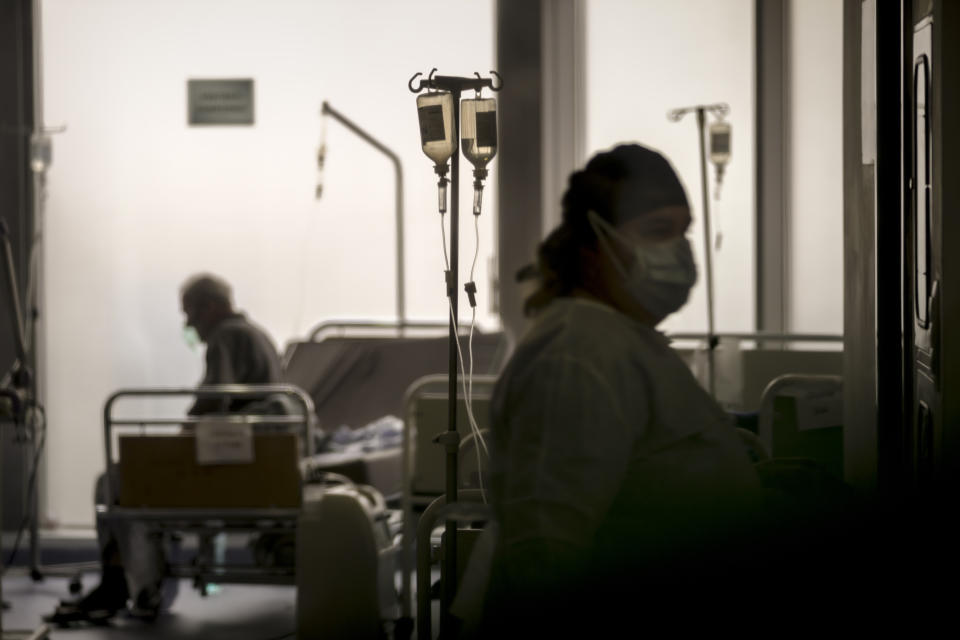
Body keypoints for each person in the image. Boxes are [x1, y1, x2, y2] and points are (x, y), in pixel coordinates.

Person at [453, 144, 767, 637]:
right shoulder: (575, 358)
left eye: (683, 232)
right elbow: (545, 553)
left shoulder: (621, 339)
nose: (679, 252)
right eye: (657, 232)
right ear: (592, 244)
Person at [47, 273, 283, 625]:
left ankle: (124, 587)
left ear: (212, 307)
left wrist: (173, 447)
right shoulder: (258, 336)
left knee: (113, 482)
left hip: (228, 465)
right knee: (129, 478)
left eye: (191, 313)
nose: (189, 323)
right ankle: (135, 584)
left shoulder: (227, 337)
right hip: (247, 459)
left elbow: (212, 405)